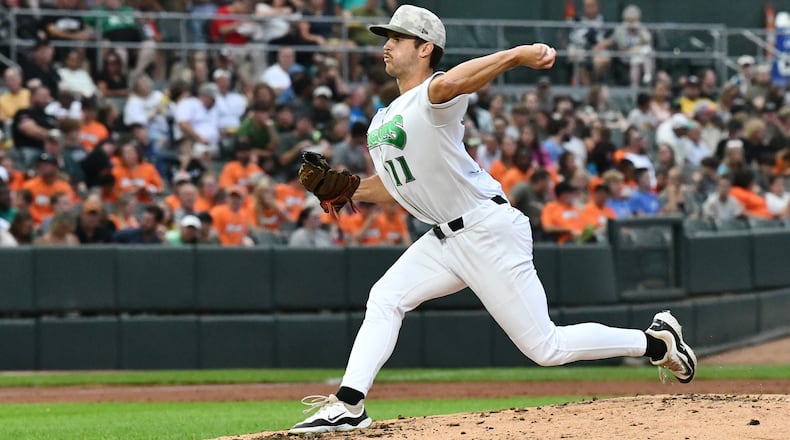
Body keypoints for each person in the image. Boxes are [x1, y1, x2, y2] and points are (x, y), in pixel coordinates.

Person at [288, 5, 696, 434]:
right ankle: (350, 403)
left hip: (485, 228)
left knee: (546, 347)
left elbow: (454, 81)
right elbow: (394, 188)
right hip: (443, 238)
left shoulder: (434, 97)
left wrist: (516, 55)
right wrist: (347, 188)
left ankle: (656, 343)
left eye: (397, 38)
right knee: (386, 297)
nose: (386, 46)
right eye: (386, 38)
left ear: (425, 48)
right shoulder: (381, 119)